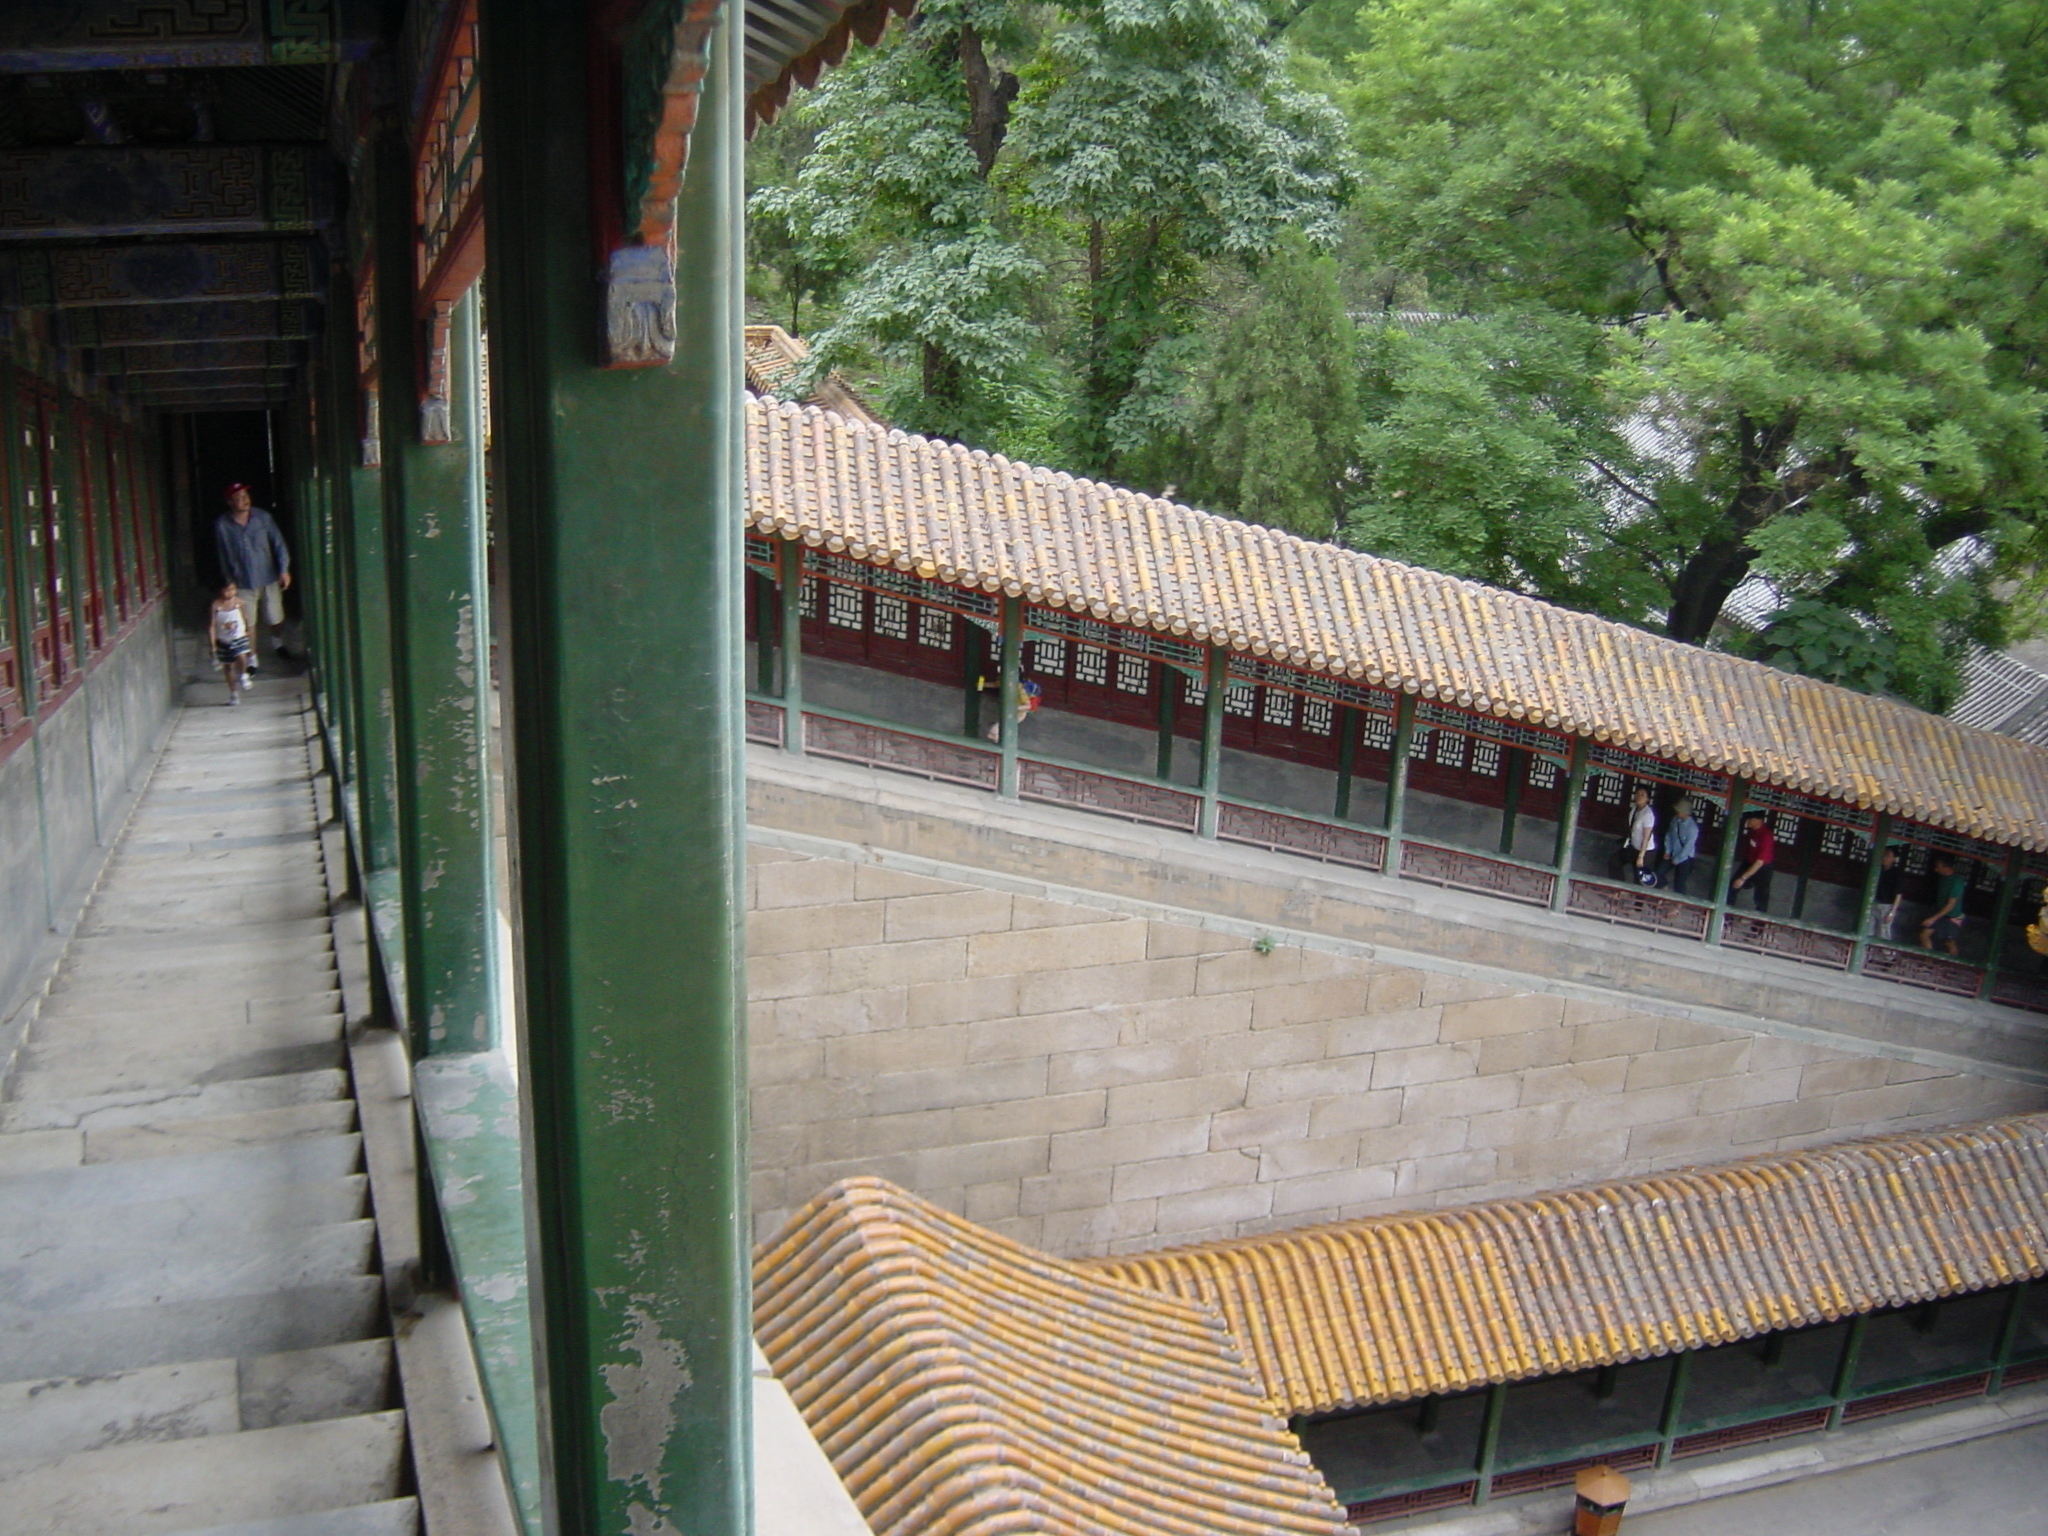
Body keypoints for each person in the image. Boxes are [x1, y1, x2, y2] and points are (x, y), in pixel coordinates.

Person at [213, 482, 291, 668]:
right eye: (238, 498)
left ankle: (277, 641)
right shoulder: (223, 525)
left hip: (268, 577)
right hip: (242, 581)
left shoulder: (262, 517)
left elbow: (278, 543)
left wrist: (283, 569)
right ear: (230, 502)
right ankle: (252, 659)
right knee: (248, 623)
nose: (244, 500)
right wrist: (228, 581)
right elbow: (222, 553)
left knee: (276, 617)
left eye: (246, 496)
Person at [210, 582, 252, 704]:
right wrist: (212, 643)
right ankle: (234, 693)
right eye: (227, 590)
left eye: (232, 590)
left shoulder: (239, 602)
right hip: (224, 640)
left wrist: (248, 629)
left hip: (239, 636)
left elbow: (246, 616)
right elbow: (212, 625)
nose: (230, 593)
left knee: (242, 655)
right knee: (228, 666)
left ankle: (244, 675)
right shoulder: (216, 605)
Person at [1729, 810, 1776, 911]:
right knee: (1732, 887)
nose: (1748, 821)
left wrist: (1743, 878)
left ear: (1759, 821)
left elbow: (1760, 862)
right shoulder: (1751, 832)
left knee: (1761, 897)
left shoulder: (1766, 836)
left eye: (1751, 819)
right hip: (1749, 862)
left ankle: (1758, 926)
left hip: (1763, 868)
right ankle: (1726, 920)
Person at [1920, 856, 1967, 955]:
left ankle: (1952, 967)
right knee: (1924, 935)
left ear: (1946, 867)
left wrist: (1933, 918)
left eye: (1938, 866)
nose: (1935, 869)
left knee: (1949, 943)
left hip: (1951, 916)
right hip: (1939, 911)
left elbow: (1950, 905)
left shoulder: (1956, 881)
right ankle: (1929, 963)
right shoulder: (1943, 878)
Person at [1612, 785, 1657, 883]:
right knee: (1614, 862)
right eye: (1637, 794)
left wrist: (1641, 856)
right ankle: (1619, 889)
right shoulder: (1634, 809)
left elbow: (1646, 837)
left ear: (1647, 799)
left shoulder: (1648, 814)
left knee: (1640, 878)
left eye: (1642, 795)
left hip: (1645, 851)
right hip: (1633, 846)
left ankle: (1639, 897)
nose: (1638, 796)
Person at [1659, 797, 1699, 894]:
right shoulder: (1675, 820)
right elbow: (1669, 835)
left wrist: (1678, 859)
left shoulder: (1692, 828)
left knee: (1679, 883)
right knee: (1658, 873)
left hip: (1685, 858)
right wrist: (1668, 851)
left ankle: (1678, 907)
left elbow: (1688, 847)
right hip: (1672, 853)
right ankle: (1665, 892)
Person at [1872, 846, 1903, 939]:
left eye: (1888, 855)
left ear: (1894, 859)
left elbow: (1898, 894)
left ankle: (1885, 953)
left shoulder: (1896, 873)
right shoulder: (1877, 869)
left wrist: (1892, 912)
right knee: (1869, 929)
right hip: (1874, 902)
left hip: (1886, 906)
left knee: (1883, 931)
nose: (1884, 857)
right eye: (1884, 854)